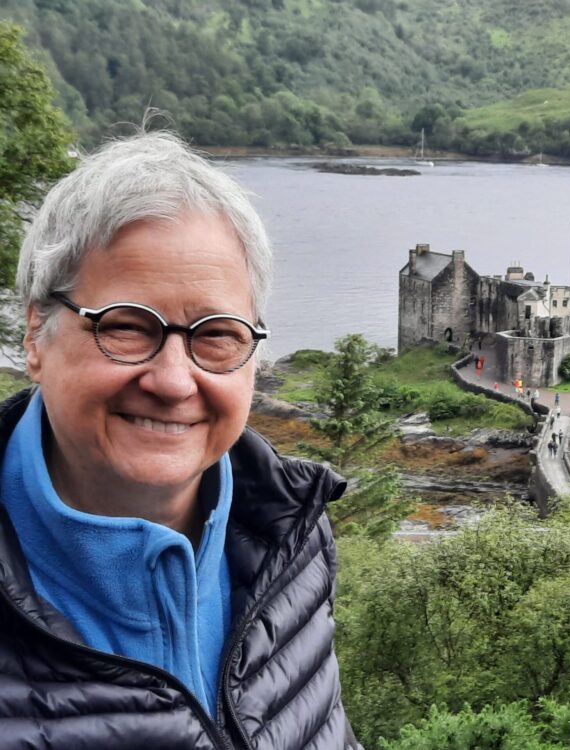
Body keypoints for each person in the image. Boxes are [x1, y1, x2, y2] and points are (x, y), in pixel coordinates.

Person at [0, 132, 361, 749]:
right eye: (126, 327)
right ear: (37, 334)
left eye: (216, 334)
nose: (172, 381)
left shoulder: (290, 536)